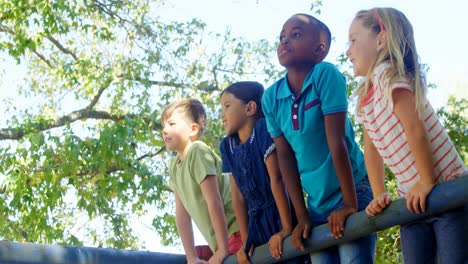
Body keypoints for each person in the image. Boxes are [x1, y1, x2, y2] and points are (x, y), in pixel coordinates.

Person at [346, 7, 468, 263]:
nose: (348, 51)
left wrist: (426, 180)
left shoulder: (390, 75)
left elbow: (415, 128)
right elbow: (371, 149)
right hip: (412, 200)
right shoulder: (365, 97)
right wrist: (379, 193)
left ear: (380, 39)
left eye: (354, 40)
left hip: (445, 189)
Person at [262, 13, 376, 263]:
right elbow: (285, 158)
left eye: (296, 34)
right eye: (282, 36)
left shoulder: (325, 75)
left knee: (352, 257)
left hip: (352, 187)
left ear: (319, 49)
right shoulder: (271, 97)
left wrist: (349, 204)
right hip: (316, 204)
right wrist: (302, 216)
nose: (284, 41)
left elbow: (336, 142)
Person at [219, 81, 310, 264]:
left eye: (227, 106)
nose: (222, 115)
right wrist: (246, 242)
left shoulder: (263, 129)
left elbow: (277, 179)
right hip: (255, 225)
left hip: (279, 213)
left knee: (290, 255)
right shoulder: (227, 146)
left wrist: (286, 229)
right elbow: (237, 196)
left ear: (250, 108)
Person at [161, 98, 242, 264]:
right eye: (163, 125)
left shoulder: (197, 151)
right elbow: (182, 215)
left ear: (193, 129)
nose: (164, 130)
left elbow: (214, 202)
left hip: (235, 232)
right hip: (220, 241)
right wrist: (192, 257)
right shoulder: (174, 165)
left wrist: (222, 249)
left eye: (171, 124)